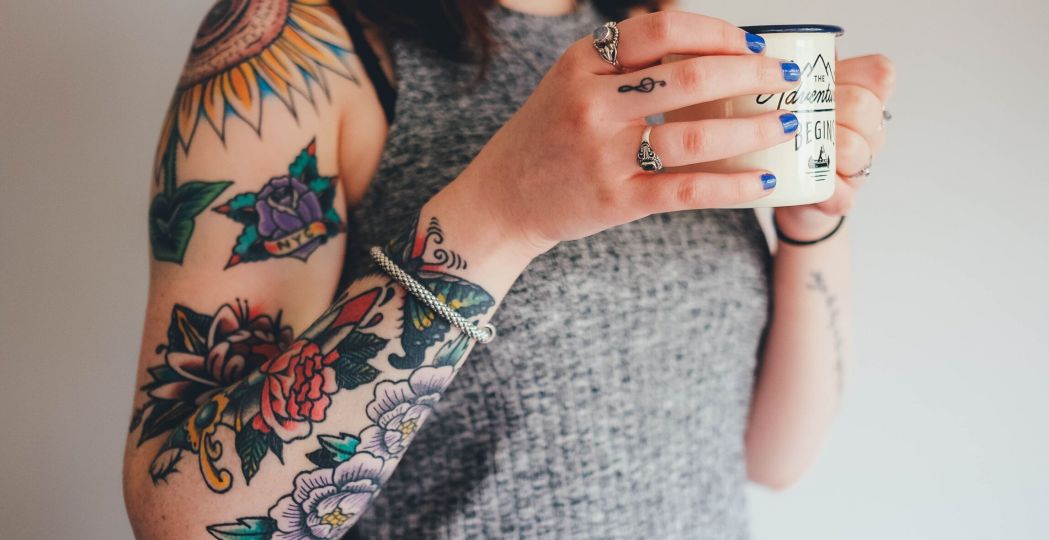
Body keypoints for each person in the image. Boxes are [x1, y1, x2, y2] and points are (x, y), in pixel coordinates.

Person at [122, 0, 895, 538]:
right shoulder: (294, 46)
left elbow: (773, 458)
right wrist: (499, 215)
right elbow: (189, 521)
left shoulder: (652, 43)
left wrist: (814, 226)